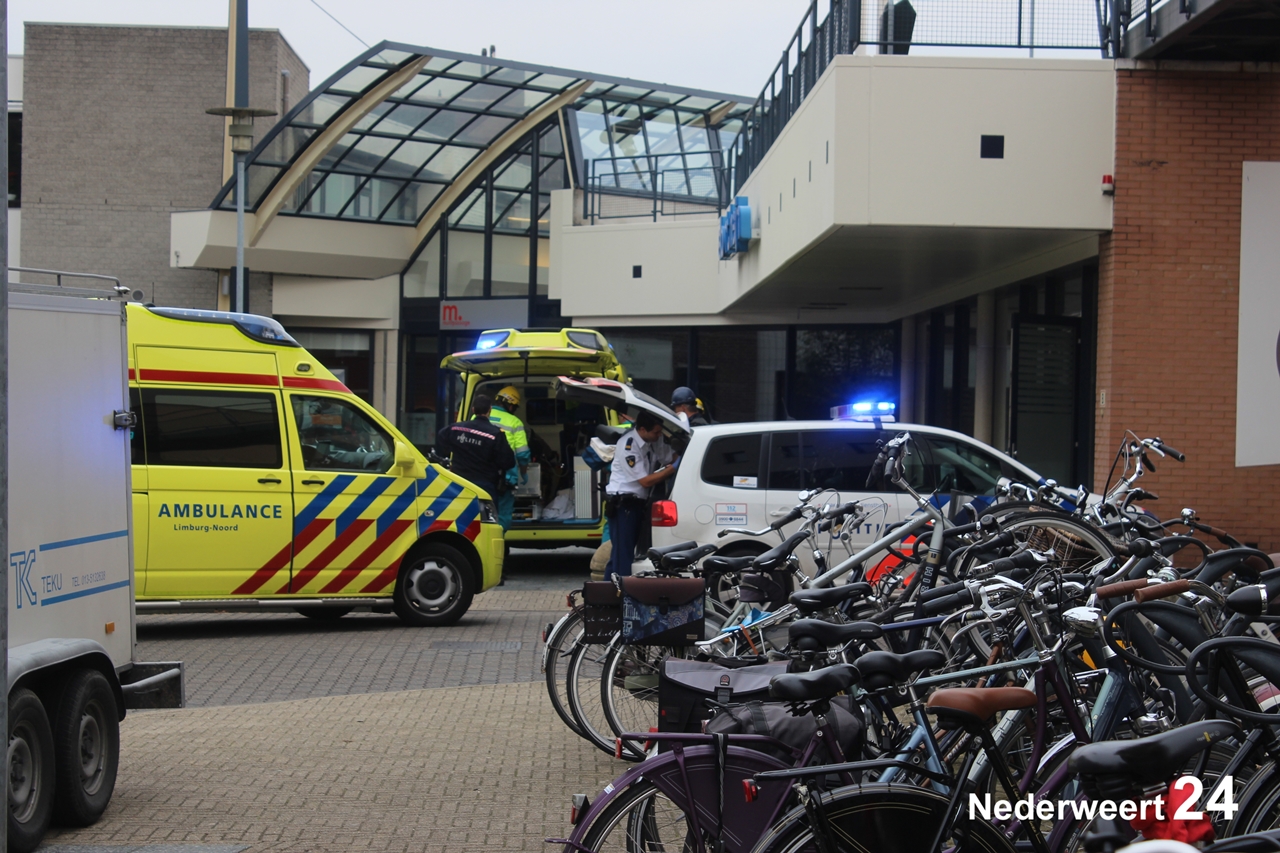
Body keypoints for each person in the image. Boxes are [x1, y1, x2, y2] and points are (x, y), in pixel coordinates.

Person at [604, 410, 678, 581]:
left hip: (637, 505)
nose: (659, 435)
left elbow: (668, 456)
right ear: (642, 429)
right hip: (624, 505)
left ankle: (604, 596)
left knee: (620, 555)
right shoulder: (628, 445)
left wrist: (678, 458)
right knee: (624, 556)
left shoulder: (653, 439)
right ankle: (622, 599)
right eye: (656, 432)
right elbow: (645, 481)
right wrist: (672, 469)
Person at [435, 394, 515, 502]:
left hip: (459, 483)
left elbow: (441, 436)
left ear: (473, 409)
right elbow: (508, 462)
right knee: (484, 518)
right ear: (489, 410)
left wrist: (455, 448)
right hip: (485, 486)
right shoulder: (495, 434)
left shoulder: (456, 428)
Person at [488, 385, 531, 531]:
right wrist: (523, 472)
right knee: (503, 513)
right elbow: (523, 454)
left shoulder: (478, 416)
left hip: (481, 475)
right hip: (504, 478)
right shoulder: (515, 422)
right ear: (510, 405)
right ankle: (499, 543)